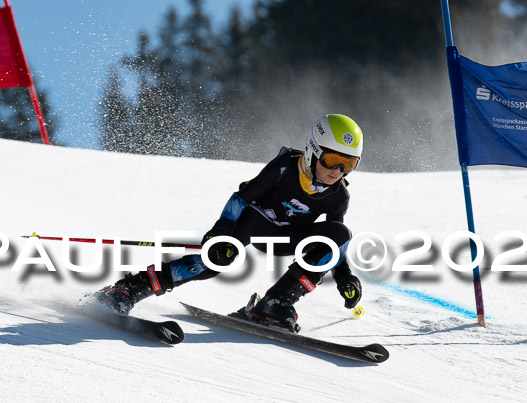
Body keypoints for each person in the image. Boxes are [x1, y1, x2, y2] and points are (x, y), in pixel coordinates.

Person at [95, 114, 364, 333]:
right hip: (255, 221)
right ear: (313, 151)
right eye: (332, 160)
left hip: (287, 238)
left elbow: (334, 246)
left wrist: (345, 277)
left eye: (348, 164)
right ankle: (128, 290)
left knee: (340, 232)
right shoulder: (284, 168)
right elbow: (241, 198)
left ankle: (274, 304)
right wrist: (221, 232)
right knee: (218, 260)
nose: (337, 171)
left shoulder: (339, 195)